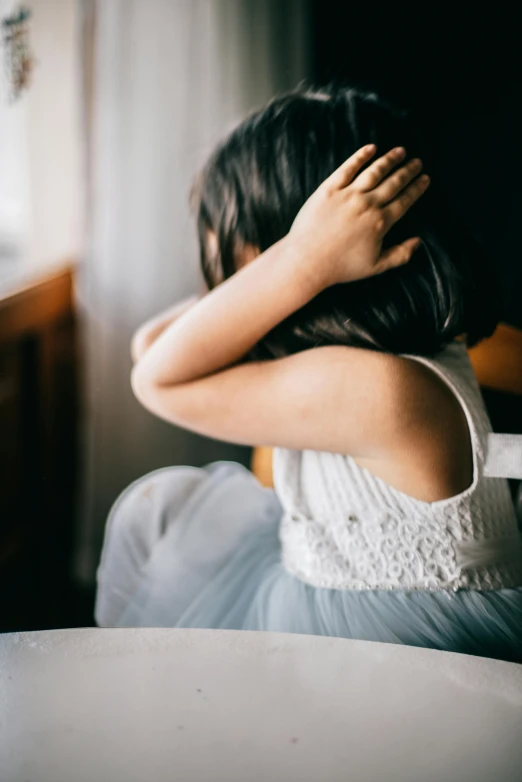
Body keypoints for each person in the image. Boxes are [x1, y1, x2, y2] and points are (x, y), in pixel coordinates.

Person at [94, 86, 522, 662]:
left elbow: (157, 378)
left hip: (398, 662)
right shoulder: (367, 354)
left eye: (235, 245)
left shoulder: (376, 388)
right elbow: (152, 347)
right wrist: (295, 263)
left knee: (156, 520)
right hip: (324, 590)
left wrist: (299, 261)